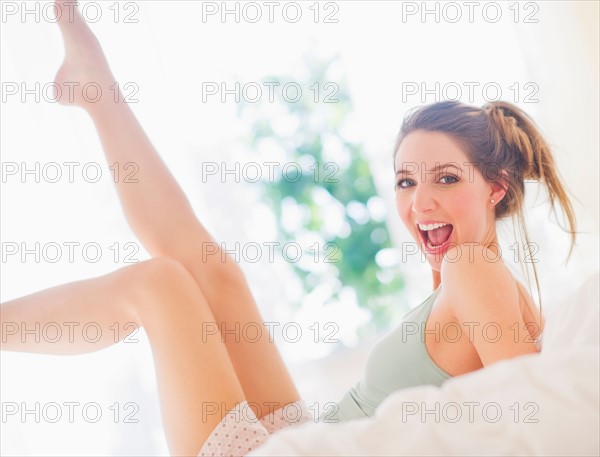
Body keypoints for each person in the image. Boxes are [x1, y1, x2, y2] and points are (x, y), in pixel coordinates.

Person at [0, 2, 578, 456]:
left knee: (161, 287)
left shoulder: (471, 267)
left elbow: (526, 413)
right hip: (307, 434)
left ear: (497, 186)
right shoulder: (469, 277)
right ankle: (95, 89)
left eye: (446, 179)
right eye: (405, 182)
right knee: (213, 271)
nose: (420, 202)